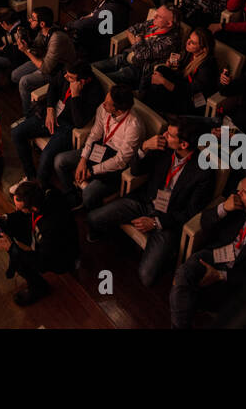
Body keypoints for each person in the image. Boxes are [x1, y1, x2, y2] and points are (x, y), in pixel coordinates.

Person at [85, 116, 215, 288]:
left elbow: (190, 212)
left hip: (167, 220)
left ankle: (165, 255)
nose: (164, 135)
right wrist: (144, 147)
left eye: (170, 134)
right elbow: (137, 170)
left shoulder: (204, 171)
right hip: (145, 201)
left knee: (146, 277)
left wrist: (155, 223)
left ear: (183, 144)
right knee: (93, 218)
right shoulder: (163, 146)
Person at [169, 173, 246, 328]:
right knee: (183, 275)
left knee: (184, 291)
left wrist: (220, 275)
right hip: (213, 255)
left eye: (245, 192)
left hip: (235, 278)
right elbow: (204, 221)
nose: (238, 194)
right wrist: (223, 209)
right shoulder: (237, 205)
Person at [10, 61, 103, 188]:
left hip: (68, 127)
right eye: (66, 74)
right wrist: (50, 109)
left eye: (70, 78)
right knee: (17, 132)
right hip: (52, 114)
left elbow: (79, 123)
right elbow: (53, 85)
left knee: (46, 156)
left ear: (82, 82)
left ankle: (40, 187)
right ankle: (30, 178)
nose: (65, 77)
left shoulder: (95, 92)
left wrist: (75, 95)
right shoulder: (67, 72)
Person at [53, 84, 143, 212]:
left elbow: (120, 161)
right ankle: (72, 195)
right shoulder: (103, 108)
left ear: (118, 110)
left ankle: (93, 207)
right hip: (101, 149)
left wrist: (91, 171)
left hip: (115, 165)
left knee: (89, 194)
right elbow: (94, 134)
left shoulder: (134, 126)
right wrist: (83, 160)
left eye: (107, 103)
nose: (103, 104)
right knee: (59, 161)